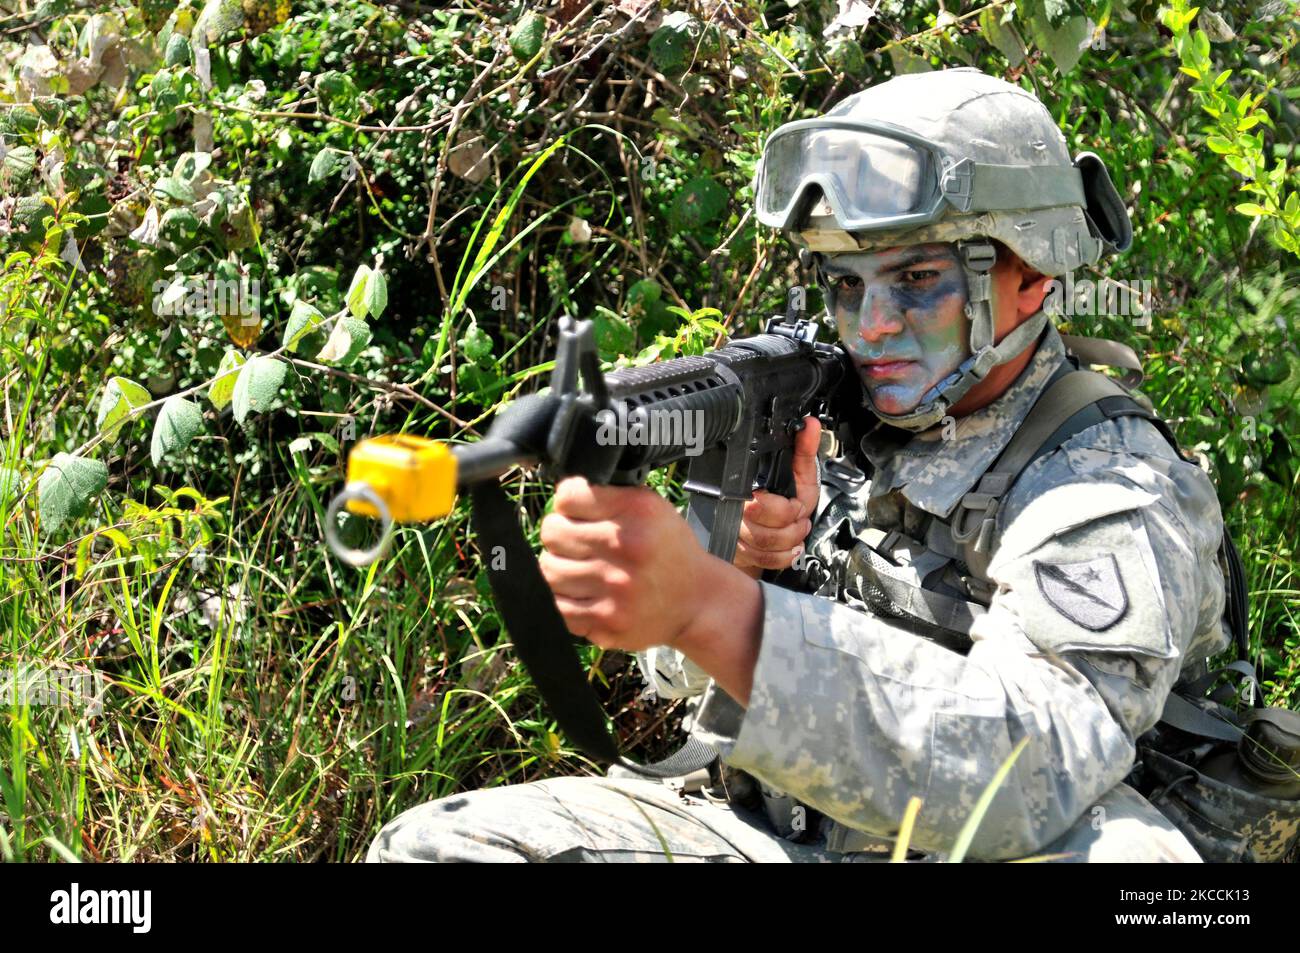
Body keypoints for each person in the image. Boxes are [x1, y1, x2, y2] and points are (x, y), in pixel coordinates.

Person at [367, 67, 1229, 863]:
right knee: (438, 847)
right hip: (780, 826)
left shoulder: (1105, 486)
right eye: (847, 285)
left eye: (919, 277)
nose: (873, 325)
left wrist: (718, 608)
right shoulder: (847, 414)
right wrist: (736, 568)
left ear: (1033, 274)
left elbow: (1030, 770)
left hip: (988, 844)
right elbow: (683, 684)